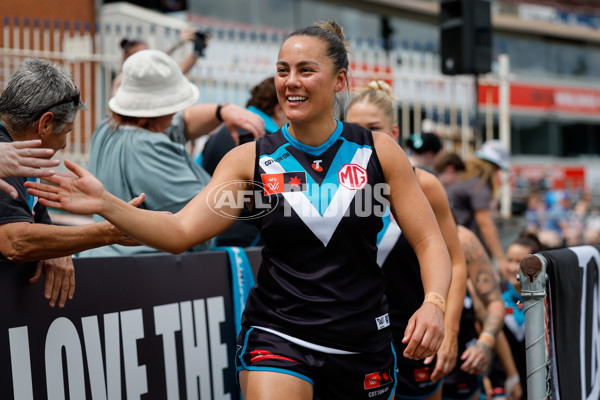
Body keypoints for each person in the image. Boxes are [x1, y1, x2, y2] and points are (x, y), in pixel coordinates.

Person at [27, 21, 452, 399]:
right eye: (283, 70)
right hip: (279, 333)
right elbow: (179, 230)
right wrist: (105, 203)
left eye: (306, 70)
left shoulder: (380, 151)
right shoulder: (248, 159)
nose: (291, 82)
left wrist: (433, 302)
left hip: (361, 341)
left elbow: (431, 240)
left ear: (340, 80)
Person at [344, 79, 467, 400]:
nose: (365, 137)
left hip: (414, 337)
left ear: (395, 133)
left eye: (375, 128)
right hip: (352, 335)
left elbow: (455, 259)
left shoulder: (424, 185)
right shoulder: (332, 189)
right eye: (355, 128)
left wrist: (449, 331)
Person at [80, 49, 265, 257]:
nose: (176, 113)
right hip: (150, 272)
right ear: (158, 111)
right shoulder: (149, 148)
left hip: (105, 261)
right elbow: (199, 223)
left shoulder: (107, 127)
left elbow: (183, 123)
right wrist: (253, 191)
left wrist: (222, 111)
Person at [0, 58, 142, 308]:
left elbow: (38, 231)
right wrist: (109, 233)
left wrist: (58, 249)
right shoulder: (4, 152)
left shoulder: (21, 156)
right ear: (45, 124)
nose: (64, 144)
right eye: (65, 131)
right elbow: (15, 241)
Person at [197, 75, 286, 247]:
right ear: (278, 109)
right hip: (251, 245)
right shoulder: (271, 146)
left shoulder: (217, 135)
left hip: (207, 236)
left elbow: (198, 175)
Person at [440, 226, 506, 400]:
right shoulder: (392, 230)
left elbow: (494, 302)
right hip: (409, 356)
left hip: (462, 365)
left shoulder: (463, 238)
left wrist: (484, 343)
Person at [486, 232, 544, 400]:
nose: (512, 267)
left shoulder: (546, 297)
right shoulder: (495, 294)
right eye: (509, 260)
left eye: (519, 262)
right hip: (501, 383)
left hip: (538, 381)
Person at [445, 140, 511, 273]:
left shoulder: (462, 178)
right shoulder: (479, 185)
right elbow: (485, 224)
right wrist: (500, 259)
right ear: (494, 167)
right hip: (456, 243)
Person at [111, 28, 206, 96]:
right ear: (128, 57)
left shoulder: (148, 75)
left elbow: (181, 69)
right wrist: (177, 43)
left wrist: (197, 52)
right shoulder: (123, 79)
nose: (148, 58)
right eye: (143, 54)